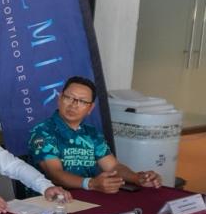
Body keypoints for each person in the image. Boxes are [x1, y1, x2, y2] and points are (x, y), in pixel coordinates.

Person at [29, 75, 163, 193]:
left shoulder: (92, 133)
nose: (74, 105)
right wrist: (92, 183)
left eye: (82, 101)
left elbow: (113, 167)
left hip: (90, 197)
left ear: (90, 108)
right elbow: (55, 174)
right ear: (59, 99)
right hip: (54, 200)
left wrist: (137, 178)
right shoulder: (43, 131)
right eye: (69, 98)